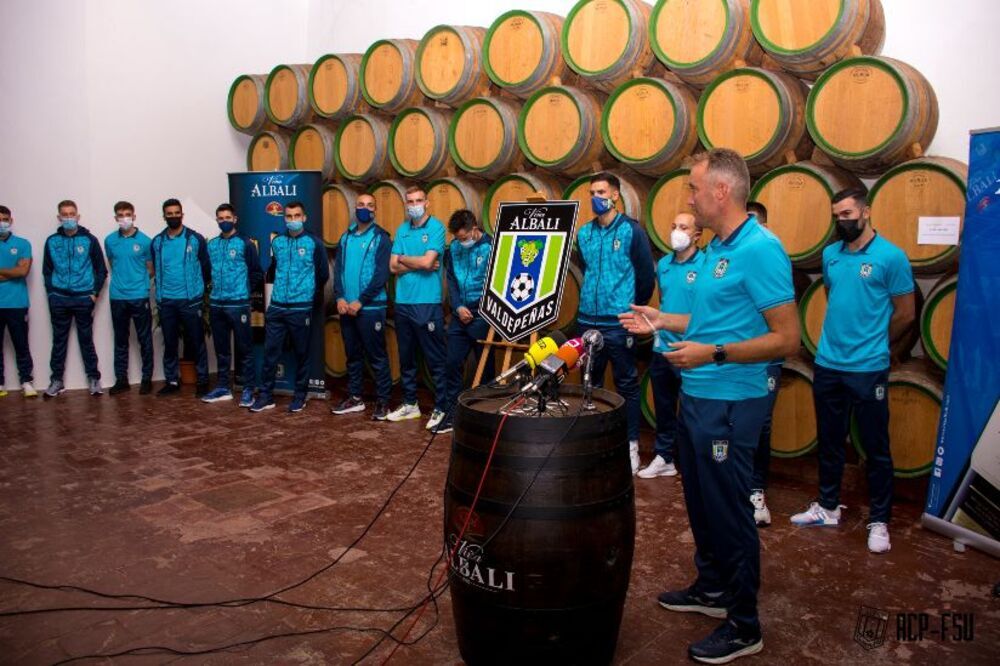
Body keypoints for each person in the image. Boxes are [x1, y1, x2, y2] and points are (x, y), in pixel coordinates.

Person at [621, 149, 799, 663]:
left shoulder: (761, 250)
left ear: (721, 191)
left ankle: (745, 624)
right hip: (698, 397)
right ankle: (712, 588)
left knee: (728, 510)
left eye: (694, 189)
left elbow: (787, 339)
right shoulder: (719, 249)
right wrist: (659, 318)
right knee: (700, 501)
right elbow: (706, 319)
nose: (689, 198)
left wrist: (713, 353)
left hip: (731, 401)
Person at [790, 186, 915, 554]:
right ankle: (828, 507)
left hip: (868, 367)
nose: (841, 222)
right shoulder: (831, 255)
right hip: (828, 364)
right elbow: (834, 295)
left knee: (876, 448)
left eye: (846, 215)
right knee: (830, 442)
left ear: (866, 212)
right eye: (836, 217)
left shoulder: (891, 257)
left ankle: (879, 520)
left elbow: (905, 313)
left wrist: (879, 342)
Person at [577, 172, 655, 474]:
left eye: (601, 192)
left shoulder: (632, 232)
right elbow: (586, 267)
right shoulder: (584, 233)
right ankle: (594, 441)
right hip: (587, 320)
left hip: (619, 321)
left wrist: (632, 308)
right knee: (590, 383)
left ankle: (631, 445)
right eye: (592, 191)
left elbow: (645, 275)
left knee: (626, 384)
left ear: (615, 195)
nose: (596, 197)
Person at [637, 212, 704, 480]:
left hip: (691, 350)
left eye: (684, 227)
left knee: (694, 412)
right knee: (664, 408)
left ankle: (694, 461)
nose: (677, 231)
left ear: (698, 235)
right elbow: (665, 303)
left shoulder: (707, 264)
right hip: (662, 349)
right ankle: (664, 457)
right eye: (674, 226)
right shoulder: (663, 264)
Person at [251, 201, 329, 413]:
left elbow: (323, 274)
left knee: (302, 353)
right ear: (284, 218)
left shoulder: (315, 243)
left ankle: (300, 395)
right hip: (276, 306)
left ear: (304, 218)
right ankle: (266, 396)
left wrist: (306, 293)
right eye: (288, 216)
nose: (292, 220)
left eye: (296, 216)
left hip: (300, 306)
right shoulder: (278, 242)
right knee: (270, 352)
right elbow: (274, 270)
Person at [386, 185, 448, 430]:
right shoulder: (402, 230)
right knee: (407, 358)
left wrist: (405, 259)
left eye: (418, 200)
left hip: (427, 303)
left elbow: (428, 261)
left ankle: (442, 407)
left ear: (427, 202)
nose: (413, 205)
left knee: (435, 359)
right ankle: (410, 404)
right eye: (409, 201)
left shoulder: (436, 228)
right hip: (403, 303)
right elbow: (393, 267)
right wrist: (415, 262)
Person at [330, 193, 392, 421]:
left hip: (371, 308)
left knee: (377, 357)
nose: (364, 208)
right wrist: (340, 297)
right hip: (347, 308)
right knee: (352, 356)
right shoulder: (345, 237)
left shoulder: (381, 238)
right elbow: (338, 270)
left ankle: (383, 401)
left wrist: (361, 300)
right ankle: (355, 398)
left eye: (369, 205)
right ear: (354, 208)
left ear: (375, 210)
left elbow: (381, 274)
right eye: (360, 205)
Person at [41, 200, 108, 398]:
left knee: (86, 340)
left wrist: (94, 293)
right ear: (59, 217)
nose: (68, 217)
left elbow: (101, 270)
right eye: (65, 214)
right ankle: (56, 380)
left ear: (78, 216)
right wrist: (52, 293)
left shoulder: (89, 240)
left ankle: (94, 379)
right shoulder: (52, 241)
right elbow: (47, 270)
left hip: (83, 298)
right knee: (59, 341)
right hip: (59, 298)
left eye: (72, 214)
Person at [437, 208, 494, 434]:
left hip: (483, 315)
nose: (461, 242)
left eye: (463, 237)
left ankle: (485, 416)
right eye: (457, 238)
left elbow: (495, 283)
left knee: (485, 369)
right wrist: (457, 306)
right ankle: (451, 414)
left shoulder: (492, 247)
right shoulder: (454, 250)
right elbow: (450, 279)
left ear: (474, 229)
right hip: (460, 314)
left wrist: (480, 309)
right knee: (451, 363)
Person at [202, 203, 263, 407]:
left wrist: (242, 291)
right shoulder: (212, 245)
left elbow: (256, 272)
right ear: (217, 220)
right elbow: (206, 271)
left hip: (238, 304)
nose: (224, 221)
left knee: (244, 348)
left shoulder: (245, 244)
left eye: (228, 217)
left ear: (235, 219)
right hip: (217, 304)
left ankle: (248, 389)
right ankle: (223, 388)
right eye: (220, 218)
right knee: (221, 349)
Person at [149, 198, 211, 398]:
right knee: (170, 342)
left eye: (177, 212)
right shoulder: (157, 242)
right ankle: (172, 380)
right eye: (170, 213)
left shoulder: (195, 239)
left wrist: (197, 291)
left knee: (197, 341)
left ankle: (202, 380)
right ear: (164, 216)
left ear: (182, 215)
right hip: (166, 301)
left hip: (190, 300)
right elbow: (155, 269)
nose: (174, 216)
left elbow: (205, 268)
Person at [746, 200, 780, 526]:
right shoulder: (731, 257)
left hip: (765, 357)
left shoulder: (772, 258)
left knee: (761, 423)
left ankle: (757, 490)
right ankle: (738, 485)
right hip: (735, 354)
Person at [104, 201, 154, 395]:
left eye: (127, 214)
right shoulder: (109, 240)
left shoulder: (145, 241)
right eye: (120, 214)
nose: (124, 217)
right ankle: (121, 379)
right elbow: (112, 264)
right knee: (120, 339)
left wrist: (137, 283)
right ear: (115, 218)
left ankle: (147, 379)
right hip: (117, 297)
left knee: (144, 339)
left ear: (134, 216)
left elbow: (150, 269)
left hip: (139, 296)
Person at [0, 205, 37, 398]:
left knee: (21, 345)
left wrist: (7, 271)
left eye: (4, 219)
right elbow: (16, 271)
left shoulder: (22, 244)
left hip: (17, 303)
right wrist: (11, 271)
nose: (2, 223)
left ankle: (26, 381)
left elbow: (23, 271)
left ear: (10, 221)